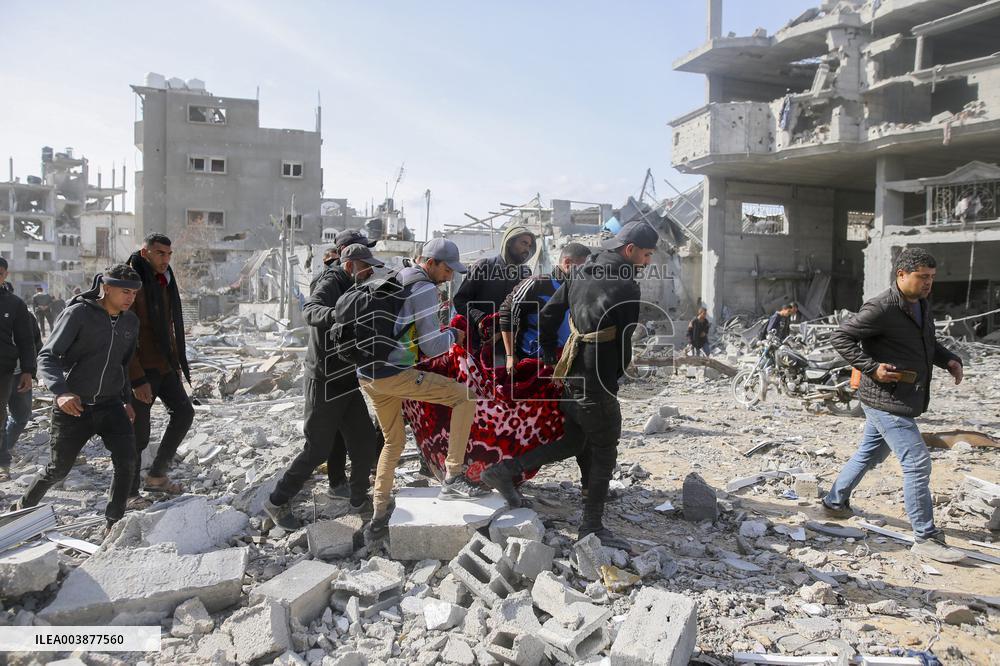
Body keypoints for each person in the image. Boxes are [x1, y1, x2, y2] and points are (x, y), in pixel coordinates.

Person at [482, 220, 659, 550]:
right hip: (596, 380)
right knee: (605, 450)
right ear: (631, 250)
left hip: (570, 372)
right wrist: (614, 377)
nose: (648, 262)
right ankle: (591, 526)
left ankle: (505, 471)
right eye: (647, 254)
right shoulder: (626, 286)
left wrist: (551, 356)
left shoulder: (581, 272)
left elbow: (549, 314)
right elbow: (623, 341)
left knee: (575, 440)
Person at [822, 248, 965, 563]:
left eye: (931, 278)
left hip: (902, 397)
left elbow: (928, 343)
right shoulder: (882, 308)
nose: (928, 283)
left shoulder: (920, 305)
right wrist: (871, 367)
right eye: (922, 277)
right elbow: (841, 337)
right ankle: (925, 537)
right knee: (917, 462)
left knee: (869, 454)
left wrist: (949, 360)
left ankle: (834, 502)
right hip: (886, 400)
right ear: (901, 275)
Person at [362, 238, 481, 546]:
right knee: (464, 397)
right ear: (430, 263)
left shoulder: (396, 275)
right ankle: (454, 476)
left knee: (394, 440)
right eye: (447, 269)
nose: (451, 276)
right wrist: (453, 334)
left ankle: (378, 516)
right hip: (393, 373)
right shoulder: (425, 288)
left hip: (367, 373)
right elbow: (431, 346)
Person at [263, 244, 385, 530]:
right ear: (350, 265)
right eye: (365, 266)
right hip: (324, 379)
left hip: (345, 377)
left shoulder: (358, 286)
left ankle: (358, 499)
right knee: (318, 448)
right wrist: (336, 317)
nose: (369, 272)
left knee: (364, 439)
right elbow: (311, 310)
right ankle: (277, 502)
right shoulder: (332, 282)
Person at [14, 265, 141, 532]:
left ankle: (113, 523)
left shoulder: (131, 322)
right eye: (124, 291)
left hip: (110, 404)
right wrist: (61, 392)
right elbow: (47, 356)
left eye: (134, 293)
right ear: (106, 288)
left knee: (127, 461)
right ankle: (21, 509)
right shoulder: (78, 314)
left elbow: (122, 364)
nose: (130, 298)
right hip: (74, 406)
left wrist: (126, 398)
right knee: (58, 469)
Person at [499, 242, 592, 494]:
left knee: (580, 425)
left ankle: (589, 485)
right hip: (533, 370)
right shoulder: (537, 284)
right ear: (567, 264)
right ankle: (504, 473)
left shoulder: (577, 290)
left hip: (563, 370)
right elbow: (506, 312)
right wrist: (509, 355)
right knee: (528, 429)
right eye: (583, 267)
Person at [124, 234, 195, 500]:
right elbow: (125, 336)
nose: (165, 259)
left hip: (164, 366)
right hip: (141, 370)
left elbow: (168, 327)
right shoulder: (131, 283)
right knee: (138, 436)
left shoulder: (164, 280)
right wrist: (136, 378)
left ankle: (157, 475)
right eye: (159, 253)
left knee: (184, 413)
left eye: (168, 254)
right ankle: (128, 494)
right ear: (145, 253)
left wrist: (175, 363)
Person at [453, 225, 537, 355]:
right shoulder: (484, 267)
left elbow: (525, 311)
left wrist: (502, 333)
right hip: (478, 347)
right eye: (523, 243)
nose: (527, 249)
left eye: (529, 245)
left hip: (511, 350)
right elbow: (460, 301)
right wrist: (480, 320)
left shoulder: (525, 273)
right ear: (509, 243)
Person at [0, 264, 37, 482]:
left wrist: (28, 371)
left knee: (19, 415)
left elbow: (28, 340)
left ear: (5, 275)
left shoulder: (15, 304)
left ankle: (3, 460)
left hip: (7, 371)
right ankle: (3, 461)